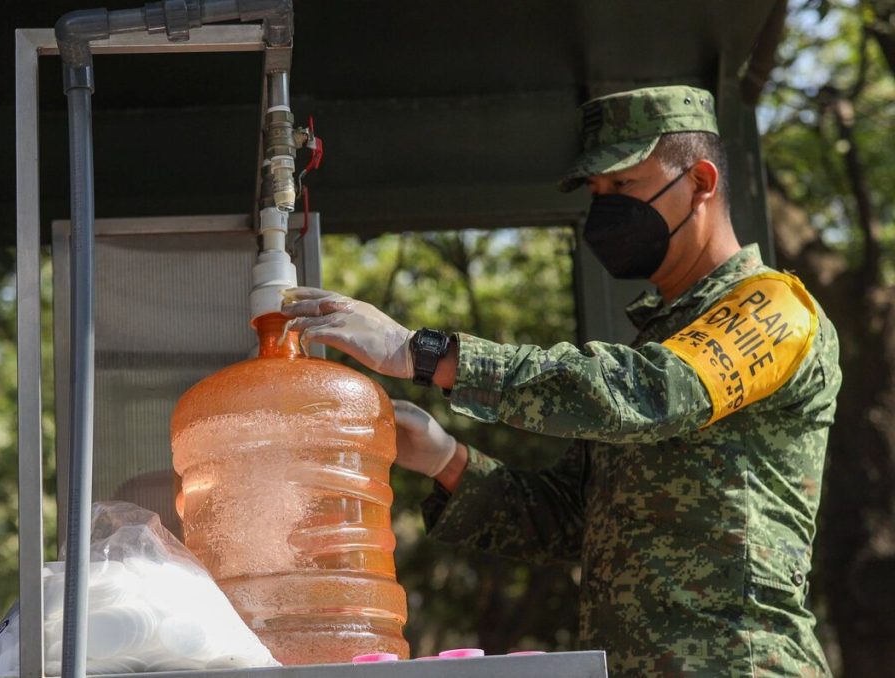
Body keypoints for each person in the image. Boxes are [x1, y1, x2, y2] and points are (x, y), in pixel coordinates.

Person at [279, 86, 841, 677]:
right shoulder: (659, 339)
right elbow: (573, 522)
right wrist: (444, 458)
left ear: (701, 182)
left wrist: (422, 353)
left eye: (623, 187)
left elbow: (647, 394)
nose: (606, 210)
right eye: (597, 193)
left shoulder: (773, 308)